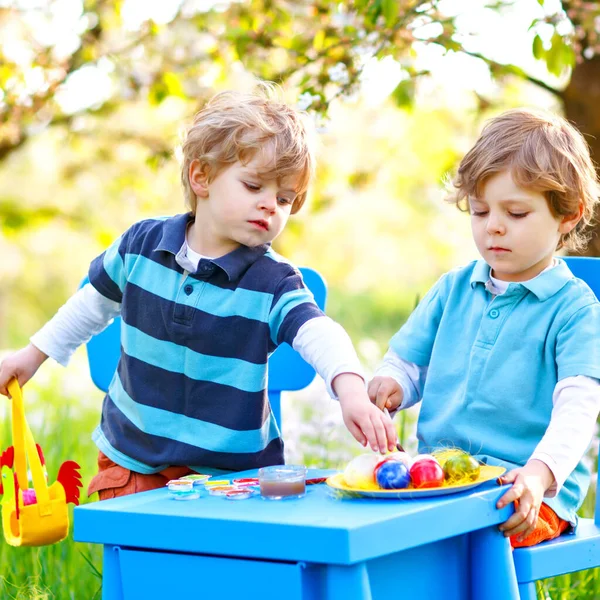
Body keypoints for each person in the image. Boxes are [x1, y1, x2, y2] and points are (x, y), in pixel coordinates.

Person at [0, 85, 396, 500]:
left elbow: (319, 332)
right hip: (134, 459)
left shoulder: (273, 281)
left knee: (221, 564)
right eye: (253, 186)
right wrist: (33, 354)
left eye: (284, 198)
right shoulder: (140, 247)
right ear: (201, 176)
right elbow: (90, 305)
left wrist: (350, 391)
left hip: (232, 479)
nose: (270, 206)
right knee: (142, 559)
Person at [368, 108, 600, 548]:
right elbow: (408, 364)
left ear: (568, 216)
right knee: (381, 527)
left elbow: (578, 410)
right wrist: (391, 383)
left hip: (525, 490)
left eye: (515, 213)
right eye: (479, 211)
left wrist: (539, 472)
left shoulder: (574, 311)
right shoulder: (453, 289)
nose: (493, 225)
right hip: (441, 477)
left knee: (468, 536)